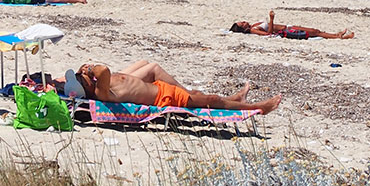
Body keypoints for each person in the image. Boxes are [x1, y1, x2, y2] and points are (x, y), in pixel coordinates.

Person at [72, 61, 281, 114]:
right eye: (83, 79)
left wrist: (86, 71)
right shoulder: (101, 93)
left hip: (160, 88)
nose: (85, 76)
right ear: (87, 88)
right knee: (211, 101)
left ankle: (237, 100)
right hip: (164, 100)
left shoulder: (100, 85)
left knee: (200, 95)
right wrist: (89, 69)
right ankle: (258, 108)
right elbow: (104, 70)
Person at [230, 10, 354, 39]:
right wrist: (271, 19)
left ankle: (335, 35)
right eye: (242, 23)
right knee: (314, 32)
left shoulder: (253, 25)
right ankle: (338, 37)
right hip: (287, 30)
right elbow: (268, 34)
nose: (244, 21)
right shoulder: (253, 30)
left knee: (315, 31)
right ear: (243, 28)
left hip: (287, 26)